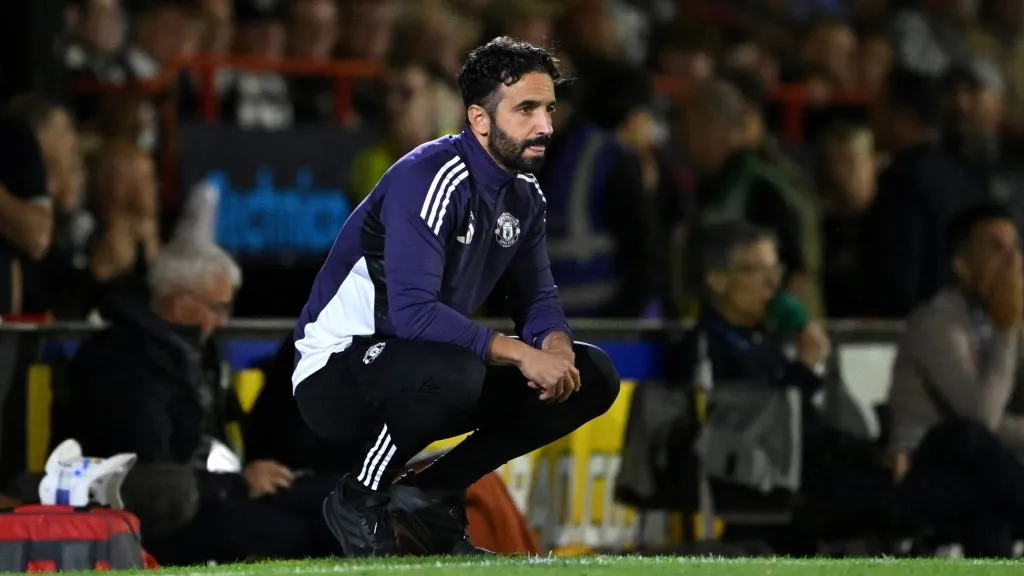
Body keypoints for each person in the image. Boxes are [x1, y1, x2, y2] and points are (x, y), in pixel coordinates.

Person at [291, 37, 621, 557]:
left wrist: (554, 345)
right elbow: (414, 314)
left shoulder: (524, 194)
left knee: (591, 375)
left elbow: (536, 300)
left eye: (550, 109)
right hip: (335, 372)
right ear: (479, 118)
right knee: (457, 370)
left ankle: (431, 495)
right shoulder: (432, 176)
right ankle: (359, 498)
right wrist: (520, 352)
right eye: (527, 109)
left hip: (423, 365)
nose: (545, 126)